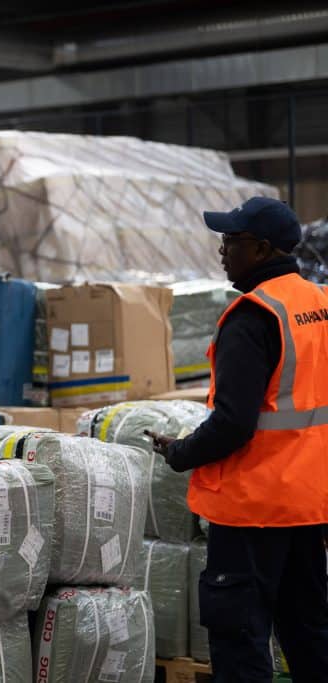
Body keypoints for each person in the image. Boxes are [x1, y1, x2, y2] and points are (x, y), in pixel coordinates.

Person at [148, 197, 328, 682]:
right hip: (309, 506)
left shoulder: (254, 316)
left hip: (254, 509)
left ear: (262, 248)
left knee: (240, 642)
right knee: (310, 636)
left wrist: (179, 452)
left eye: (231, 241)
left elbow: (233, 424)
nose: (222, 251)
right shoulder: (321, 305)